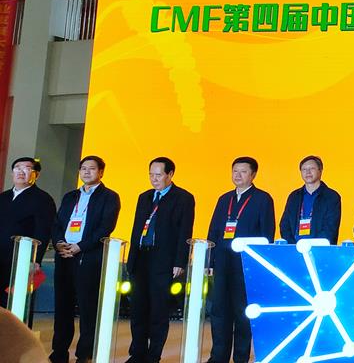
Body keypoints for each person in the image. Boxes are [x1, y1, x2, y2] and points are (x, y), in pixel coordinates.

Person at [51, 155, 121, 363]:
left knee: (87, 308)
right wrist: (59, 242)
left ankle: (84, 354)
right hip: (64, 256)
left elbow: (105, 227)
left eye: (92, 168)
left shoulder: (109, 197)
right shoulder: (70, 196)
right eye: (83, 168)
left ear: (101, 172)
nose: (87, 172)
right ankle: (59, 352)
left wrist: (80, 246)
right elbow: (57, 223)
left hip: (88, 258)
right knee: (62, 307)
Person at [206, 157, 275, 363]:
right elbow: (213, 231)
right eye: (235, 171)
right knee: (219, 312)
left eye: (243, 172)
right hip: (222, 263)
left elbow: (267, 233)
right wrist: (209, 261)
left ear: (253, 175)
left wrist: (259, 264)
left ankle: (240, 358)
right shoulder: (224, 199)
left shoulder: (263, 199)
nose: (237, 175)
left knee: (243, 315)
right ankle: (218, 357)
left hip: (245, 266)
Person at [126, 157, 195, 363]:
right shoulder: (144, 197)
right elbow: (136, 229)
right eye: (151, 175)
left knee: (158, 310)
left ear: (170, 174)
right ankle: (137, 353)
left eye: (158, 175)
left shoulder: (183, 198)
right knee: (138, 309)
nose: (153, 179)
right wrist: (131, 258)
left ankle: (153, 355)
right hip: (141, 258)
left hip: (164, 260)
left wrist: (180, 261)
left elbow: (185, 231)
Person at [0, 157, 55, 323]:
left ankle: (19, 339)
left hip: (22, 261)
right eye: (17, 168)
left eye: (27, 168)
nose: (21, 171)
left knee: (18, 305)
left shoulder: (43, 199)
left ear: (36, 174)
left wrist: (35, 260)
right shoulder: (3, 197)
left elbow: (43, 232)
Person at [280, 155, 342, 244]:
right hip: (294, 247)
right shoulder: (294, 196)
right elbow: (285, 225)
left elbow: (330, 228)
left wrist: (313, 245)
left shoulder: (331, 197)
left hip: (320, 248)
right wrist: (293, 245)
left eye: (312, 168)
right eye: (304, 169)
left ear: (320, 171)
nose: (308, 172)